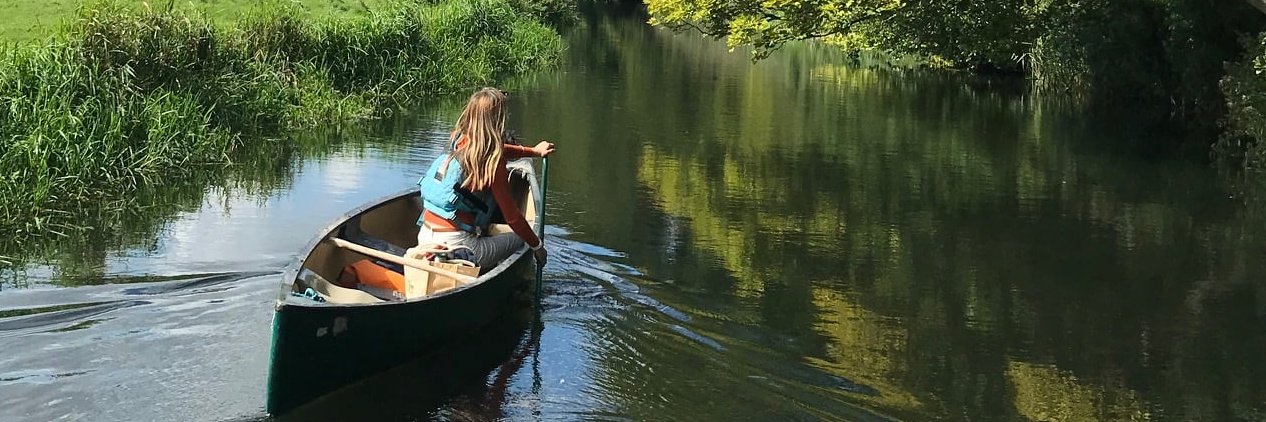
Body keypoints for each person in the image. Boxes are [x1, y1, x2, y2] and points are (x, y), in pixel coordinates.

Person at [417, 87, 554, 269]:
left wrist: (533, 151)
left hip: (425, 236)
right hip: (458, 245)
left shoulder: (458, 139)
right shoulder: (493, 162)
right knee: (523, 238)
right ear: (498, 119)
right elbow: (512, 218)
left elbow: (495, 147)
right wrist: (538, 247)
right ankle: (483, 266)